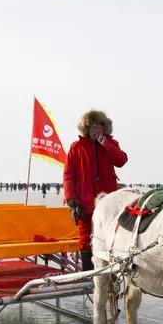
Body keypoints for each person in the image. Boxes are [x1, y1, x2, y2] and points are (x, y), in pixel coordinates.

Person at [63, 110, 128, 270]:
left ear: (104, 128)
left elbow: (121, 160)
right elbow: (68, 174)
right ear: (86, 129)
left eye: (98, 127)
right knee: (85, 239)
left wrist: (105, 143)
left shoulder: (111, 144)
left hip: (109, 203)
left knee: (110, 237)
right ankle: (88, 275)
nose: (95, 130)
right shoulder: (77, 147)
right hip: (84, 204)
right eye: (92, 127)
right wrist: (71, 200)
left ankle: (109, 274)